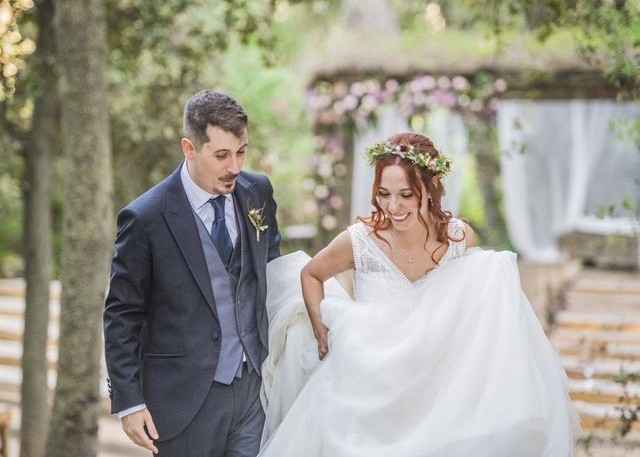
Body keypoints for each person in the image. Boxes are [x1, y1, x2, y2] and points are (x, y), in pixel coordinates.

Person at [258, 132, 580, 456]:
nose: (393, 207)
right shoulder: (361, 241)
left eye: (406, 195)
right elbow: (311, 273)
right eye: (383, 193)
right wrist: (321, 332)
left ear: (431, 187)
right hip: (369, 392)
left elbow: (477, 307)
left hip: (437, 395)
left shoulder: (458, 239)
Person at [103, 90, 281, 456]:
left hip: (254, 392)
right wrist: (129, 401)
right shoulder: (146, 217)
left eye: (241, 151)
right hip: (182, 400)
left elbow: (273, 271)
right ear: (189, 148)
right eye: (221, 155)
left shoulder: (257, 192)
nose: (234, 166)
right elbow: (122, 313)